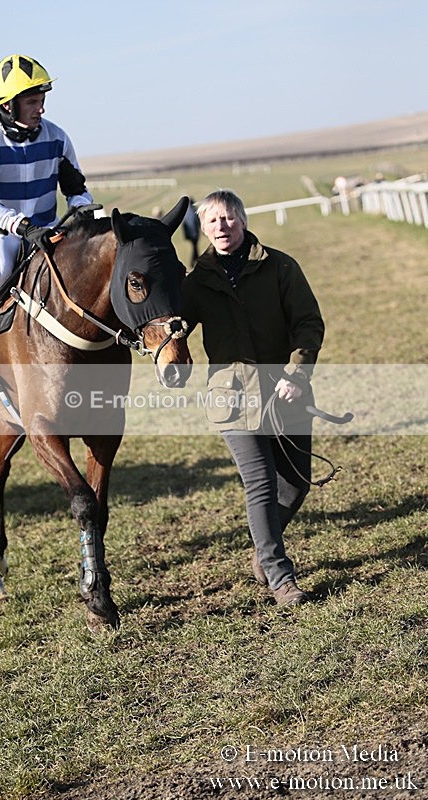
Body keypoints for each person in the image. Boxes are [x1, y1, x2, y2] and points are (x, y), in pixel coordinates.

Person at [182, 189, 325, 606]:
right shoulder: (198, 281)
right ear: (203, 228)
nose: (220, 227)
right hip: (232, 400)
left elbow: (309, 322)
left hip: (287, 392)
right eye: (212, 221)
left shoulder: (280, 266)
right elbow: (174, 327)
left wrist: (297, 374)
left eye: (227, 219)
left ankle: (263, 546)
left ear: (242, 221)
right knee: (260, 483)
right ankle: (281, 577)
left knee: (296, 484)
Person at [0, 54, 94, 380]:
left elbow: (75, 187)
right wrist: (21, 226)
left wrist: (84, 209)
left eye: (42, 100)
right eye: (32, 101)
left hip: (45, 227)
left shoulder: (57, 137)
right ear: (7, 105)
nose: (41, 109)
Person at [182, 198, 201, 265]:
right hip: (193, 233)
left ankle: (196, 260)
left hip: (192, 233)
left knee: (195, 247)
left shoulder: (187, 212)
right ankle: (193, 261)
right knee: (195, 247)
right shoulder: (192, 211)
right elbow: (196, 221)